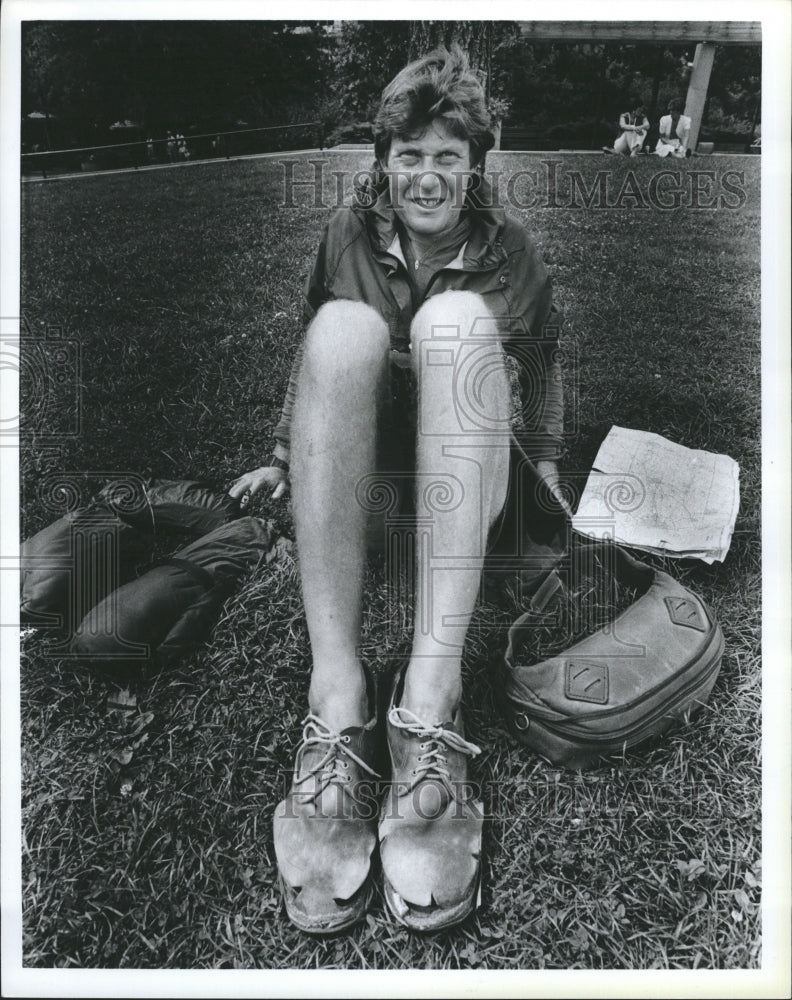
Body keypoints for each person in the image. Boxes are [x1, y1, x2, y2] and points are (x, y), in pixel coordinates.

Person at [230, 46, 565, 934]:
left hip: (465, 496)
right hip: (369, 503)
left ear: (475, 165)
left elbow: (546, 370)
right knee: (345, 325)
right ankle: (337, 695)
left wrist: (554, 473)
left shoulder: (514, 254)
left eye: (446, 156)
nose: (426, 176)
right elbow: (316, 361)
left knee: (457, 325)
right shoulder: (345, 237)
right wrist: (278, 451)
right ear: (384, 161)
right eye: (409, 155)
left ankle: (429, 697)